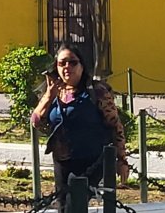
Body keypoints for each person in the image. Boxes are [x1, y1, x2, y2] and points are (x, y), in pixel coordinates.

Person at [31, 45, 128, 210]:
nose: (67, 67)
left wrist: (122, 159)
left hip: (92, 160)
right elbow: (36, 121)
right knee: (63, 206)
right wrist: (49, 96)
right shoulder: (54, 92)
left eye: (73, 62)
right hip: (63, 160)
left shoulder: (97, 91)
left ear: (82, 66)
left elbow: (115, 126)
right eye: (62, 63)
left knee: (74, 203)